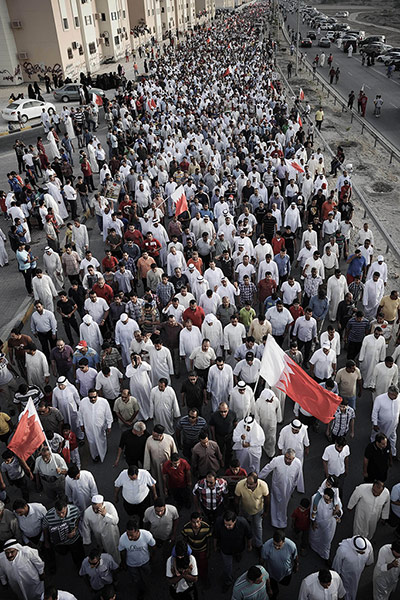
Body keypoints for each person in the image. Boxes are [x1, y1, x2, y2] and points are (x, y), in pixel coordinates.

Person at [259, 450, 302, 528]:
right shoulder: (277, 460)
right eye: (286, 458)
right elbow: (267, 468)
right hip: (277, 486)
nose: (287, 460)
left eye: (289, 459)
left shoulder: (298, 463)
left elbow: (298, 476)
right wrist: (259, 478)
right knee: (275, 502)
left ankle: (282, 520)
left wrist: (295, 486)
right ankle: (274, 521)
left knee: (284, 504)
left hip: (289, 488)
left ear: (293, 458)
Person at [42, 497, 85, 572]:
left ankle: (80, 568)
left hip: (73, 539)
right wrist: (46, 541)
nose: (61, 515)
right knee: (62, 552)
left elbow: (78, 519)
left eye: (63, 512)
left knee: (78, 555)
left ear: (66, 507)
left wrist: (75, 529)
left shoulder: (75, 510)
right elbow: (45, 528)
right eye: (58, 513)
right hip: (59, 542)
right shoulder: (48, 516)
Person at [214, 510, 252, 590]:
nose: (226, 527)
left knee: (238, 555)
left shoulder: (243, 523)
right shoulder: (219, 522)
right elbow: (216, 536)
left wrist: (249, 545)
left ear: (235, 521)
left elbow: (249, 535)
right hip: (225, 549)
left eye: (229, 525)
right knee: (228, 567)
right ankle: (228, 581)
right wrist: (215, 546)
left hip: (238, 548)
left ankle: (238, 555)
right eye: (225, 524)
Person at [118, 516, 156, 598]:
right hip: (131, 564)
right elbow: (122, 552)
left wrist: (152, 557)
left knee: (148, 575)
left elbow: (153, 546)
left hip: (145, 561)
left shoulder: (146, 535)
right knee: (136, 580)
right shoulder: (122, 539)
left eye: (132, 535)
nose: (129, 537)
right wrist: (124, 563)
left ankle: (150, 586)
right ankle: (142, 590)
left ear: (137, 531)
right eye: (128, 534)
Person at [81, 494, 120, 565]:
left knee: (113, 550)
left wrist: (105, 514)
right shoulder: (87, 512)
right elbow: (85, 526)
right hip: (98, 535)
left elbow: (115, 521)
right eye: (94, 508)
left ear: (102, 504)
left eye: (98, 508)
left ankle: (117, 564)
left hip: (110, 533)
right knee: (102, 549)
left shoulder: (109, 506)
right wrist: (87, 541)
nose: (96, 510)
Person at [332, 535, 374, 600]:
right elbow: (337, 563)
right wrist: (337, 573)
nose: (363, 553)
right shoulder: (343, 550)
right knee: (346, 586)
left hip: (358, 572)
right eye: (360, 551)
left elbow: (369, 560)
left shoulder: (368, 545)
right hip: (346, 573)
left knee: (354, 585)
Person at [261, 530, 298, 599]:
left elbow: (295, 556)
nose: (276, 547)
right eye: (274, 544)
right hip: (271, 573)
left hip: (286, 572)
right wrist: (262, 571)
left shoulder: (291, 545)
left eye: (279, 545)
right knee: (274, 590)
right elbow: (262, 559)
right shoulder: (266, 546)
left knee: (286, 583)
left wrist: (296, 565)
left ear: (284, 541)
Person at [79, 389, 113, 463]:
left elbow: (108, 415)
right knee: (92, 442)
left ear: (97, 395)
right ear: (88, 396)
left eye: (94, 397)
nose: (93, 399)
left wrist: (109, 426)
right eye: (91, 398)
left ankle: (103, 453)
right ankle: (95, 456)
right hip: (89, 428)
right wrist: (81, 424)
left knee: (101, 441)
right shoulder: (83, 402)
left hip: (100, 427)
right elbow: (80, 414)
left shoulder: (104, 402)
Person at [309, 487, 342, 560]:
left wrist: (337, 512)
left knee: (326, 541)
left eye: (329, 500)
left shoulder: (336, 502)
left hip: (329, 525)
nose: (327, 501)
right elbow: (312, 511)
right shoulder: (315, 498)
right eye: (325, 499)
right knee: (314, 536)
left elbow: (340, 513)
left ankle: (325, 556)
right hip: (318, 522)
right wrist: (313, 522)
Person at [143, 424, 177, 495]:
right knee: (158, 481)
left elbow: (174, 452)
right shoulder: (149, 440)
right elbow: (147, 455)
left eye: (155, 436)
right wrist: (147, 468)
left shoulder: (169, 439)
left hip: (168, 465)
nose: (153, 437)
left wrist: (175, 465)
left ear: (160, 435)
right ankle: (161, 494)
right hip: (156, 466)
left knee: (169, 480)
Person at [371, 386, 400, 457]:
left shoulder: (398, 397)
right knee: (377, 436)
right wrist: (375, 423)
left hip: (394, 424)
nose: (395, 397)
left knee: (393, 437)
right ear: (389, 393)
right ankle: (374, 448)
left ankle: (393, 453)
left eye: (396, 395)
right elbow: (375, 412)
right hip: (381, 424)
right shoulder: (380, 399)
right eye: (394, 395)